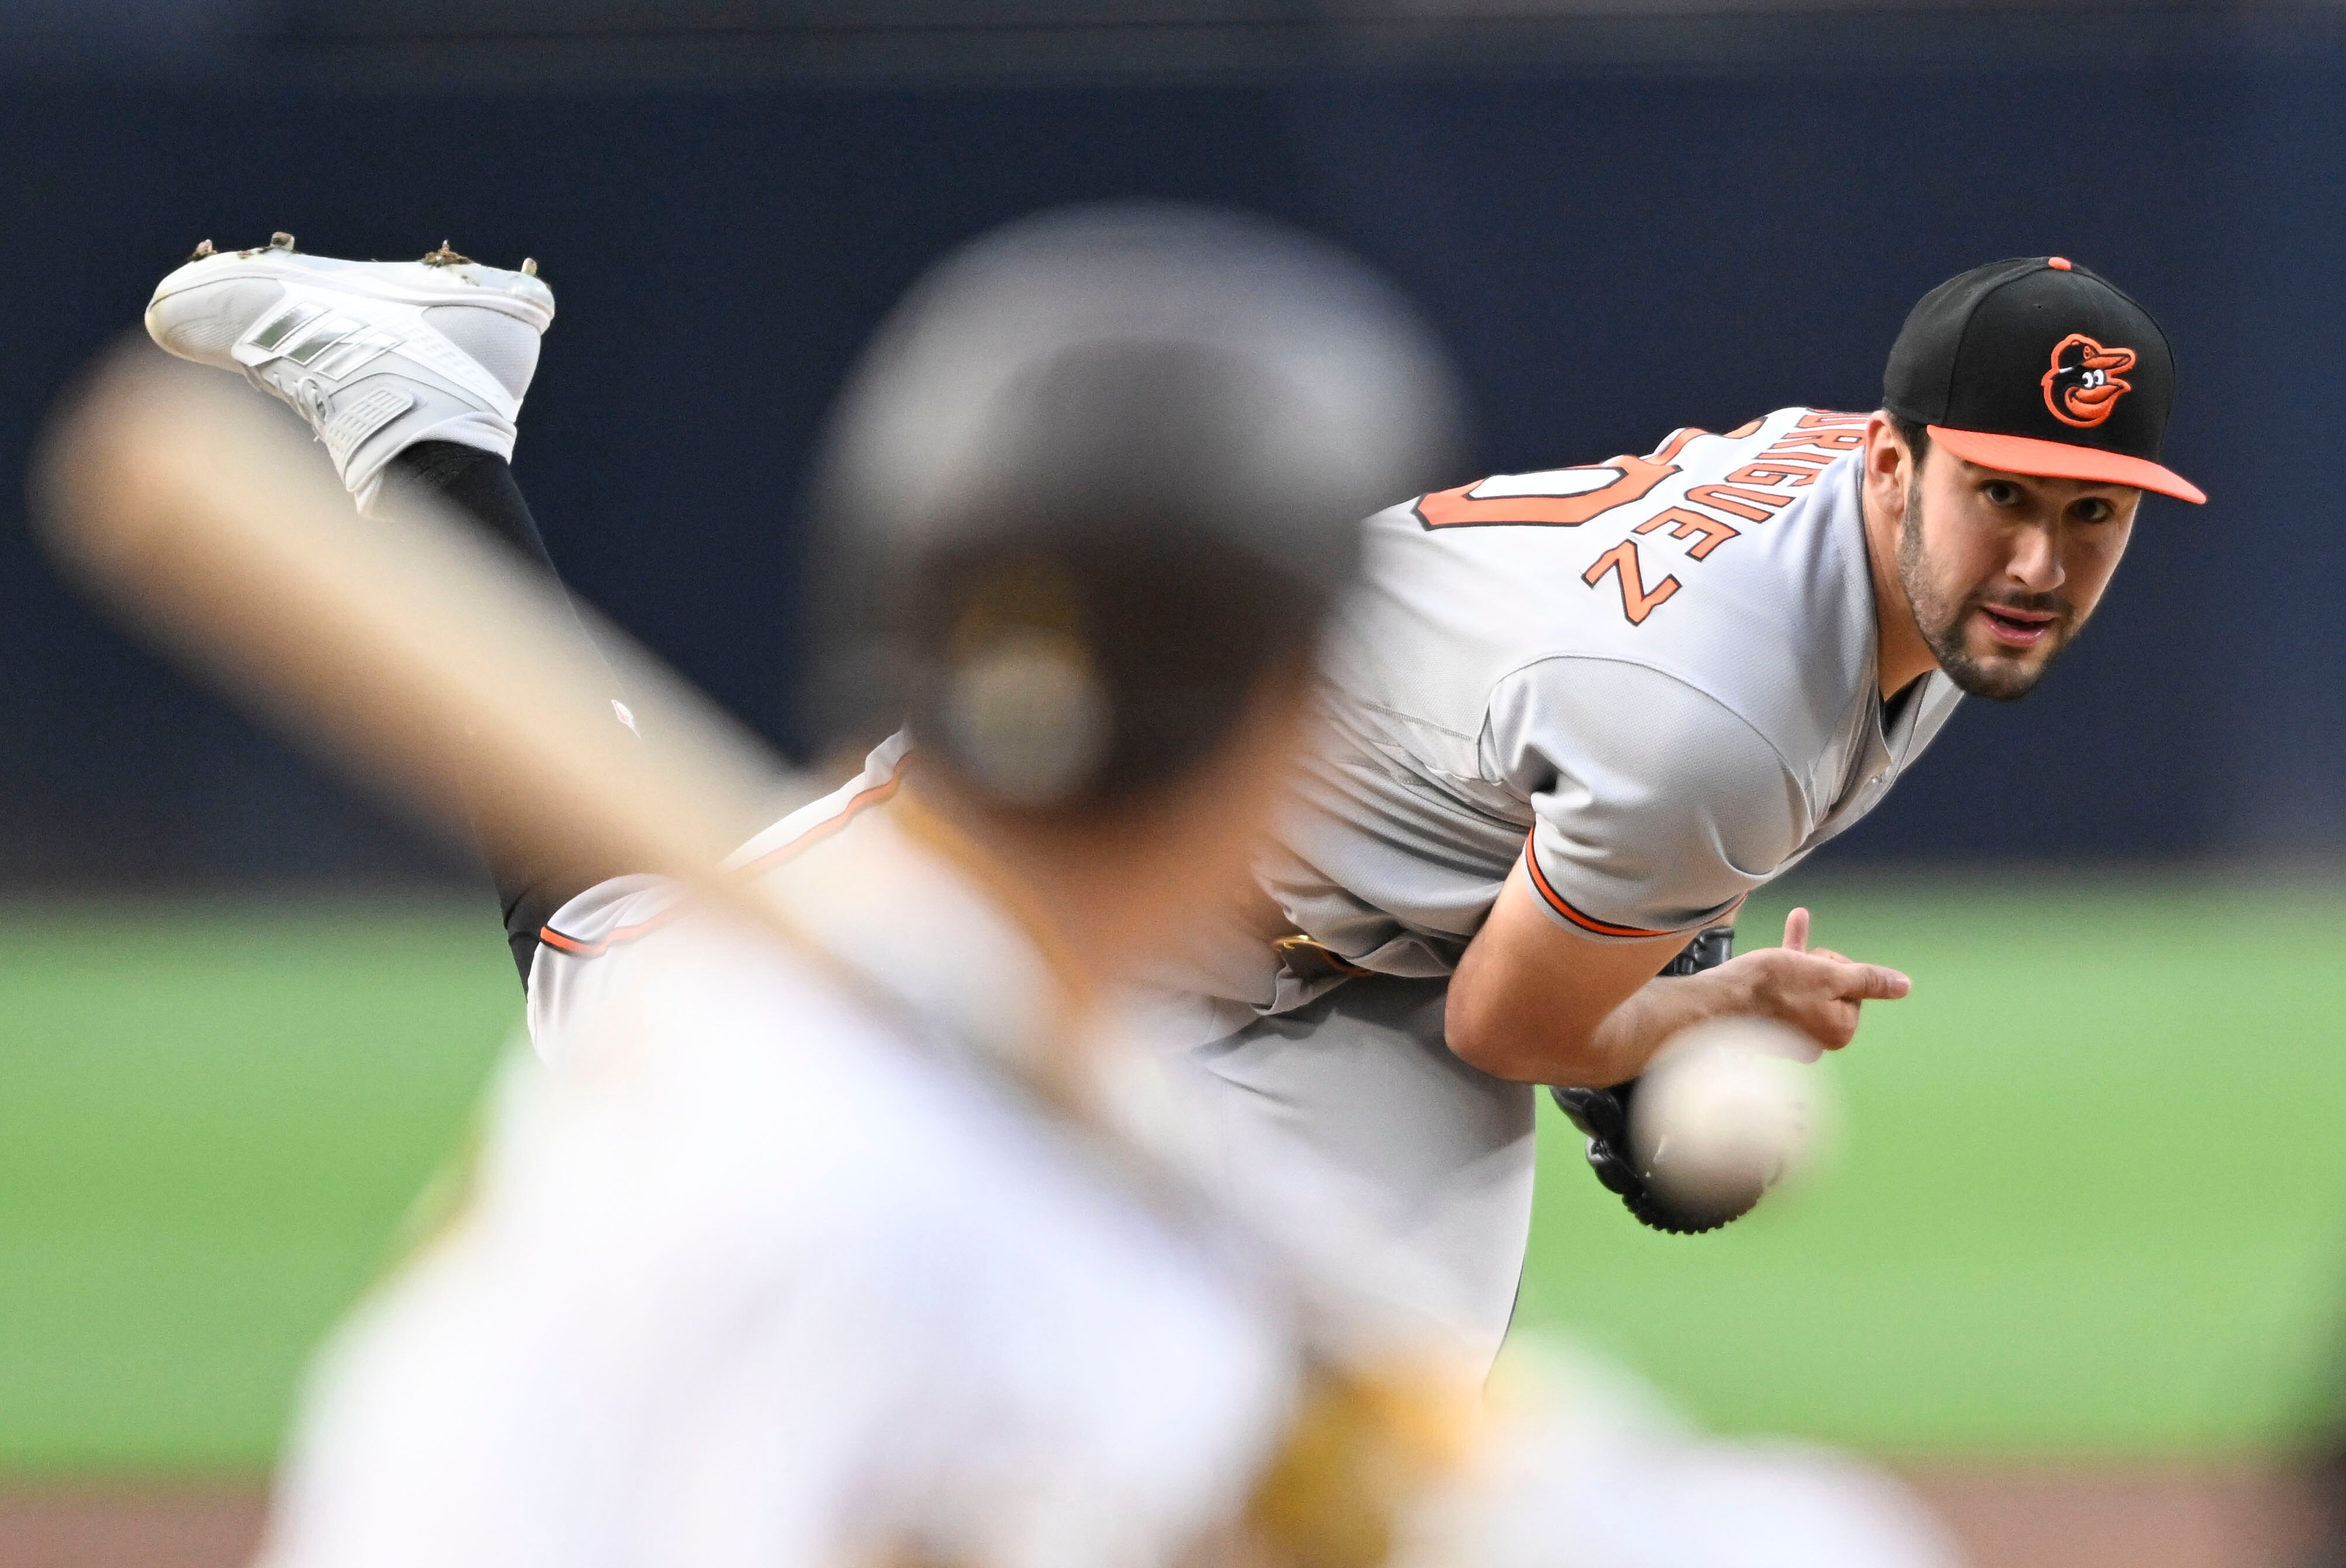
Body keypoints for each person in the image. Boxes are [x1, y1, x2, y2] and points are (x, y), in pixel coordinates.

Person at [143, 209, 1473, 1567]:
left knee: (600, 960)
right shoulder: (894, 1213)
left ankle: (415, 420)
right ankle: (415, 419)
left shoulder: (888, 1101)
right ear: (1298, 710)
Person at [1143, 256, 2205, 1358]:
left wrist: (1653, 958)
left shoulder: (1898, 552)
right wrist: (1710, 1009)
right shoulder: (1721, 718)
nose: (2040, 562)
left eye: (2094, 511)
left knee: (1379, 1439)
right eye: (2001, 494)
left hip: (1359, 946)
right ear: (1892, 460)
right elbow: (1511, 1024)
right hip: (1121, 871)